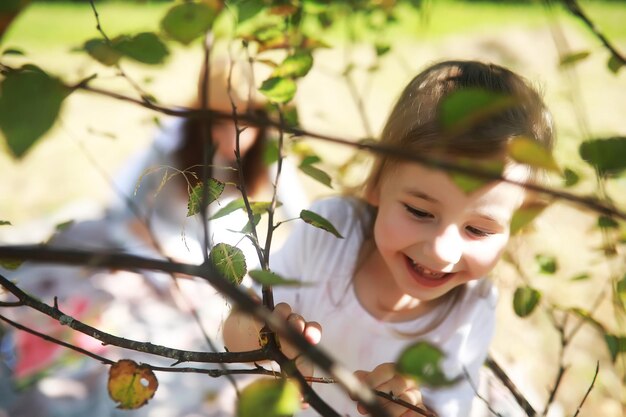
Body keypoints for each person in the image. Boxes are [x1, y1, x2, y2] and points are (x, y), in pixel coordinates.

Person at [222, 60, 555, 417]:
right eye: (419, 212)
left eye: (479, 230)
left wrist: (408, 410)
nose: (442, 251)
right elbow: (235, 330)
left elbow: (450, 410)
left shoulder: (472, 309)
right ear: (377, 183)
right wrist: (265, 334)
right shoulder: (330, 231)